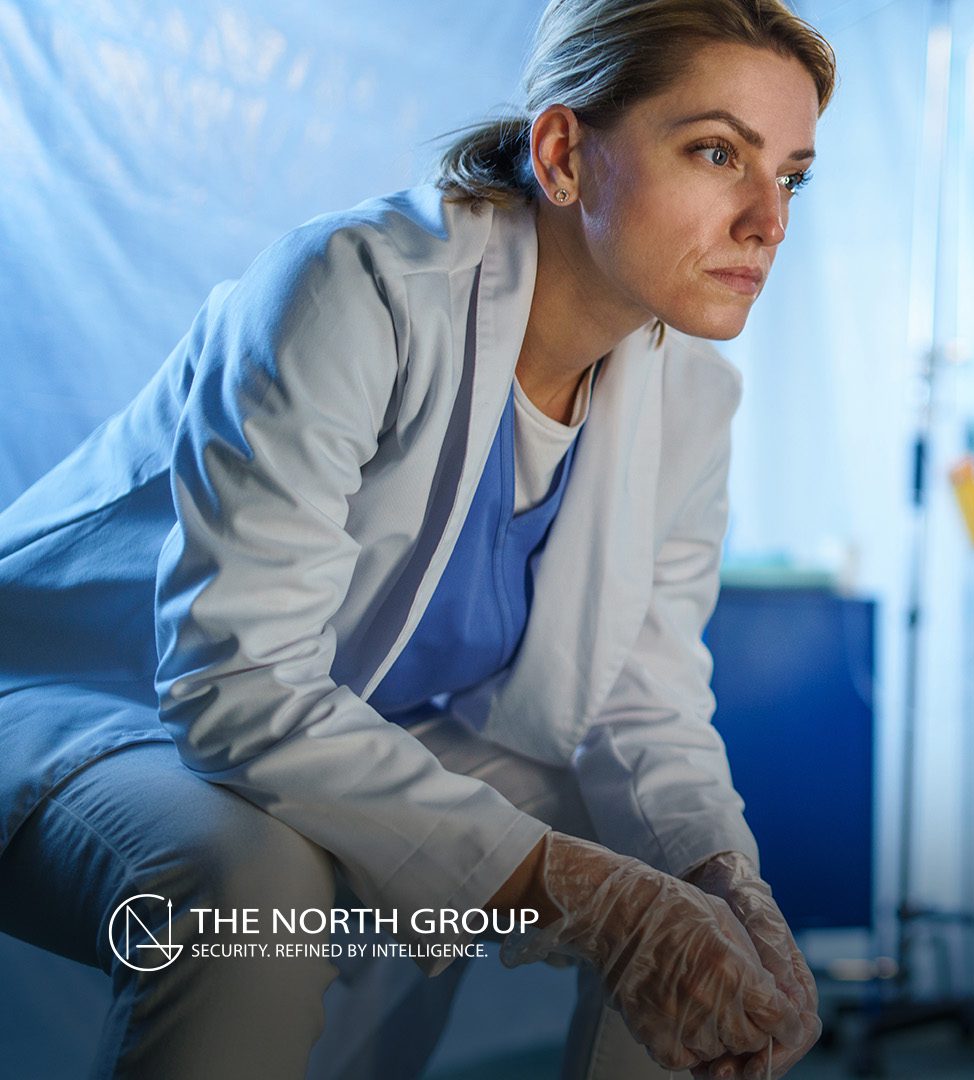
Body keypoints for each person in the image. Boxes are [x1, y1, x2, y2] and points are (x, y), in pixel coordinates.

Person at [0, 1, 834, 1077]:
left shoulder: (692, 402)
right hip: (82, 704)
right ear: (564, 153)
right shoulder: (359, 289)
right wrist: (575, 895)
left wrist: (728, 883)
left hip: (327, 722)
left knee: (678, 875)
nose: (769, 219)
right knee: (250, 880)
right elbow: (236, 685)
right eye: (718, 151)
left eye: (794, 175)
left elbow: (642, 704)